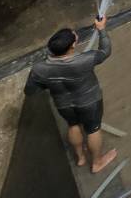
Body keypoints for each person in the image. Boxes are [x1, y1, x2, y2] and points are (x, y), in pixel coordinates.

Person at [24, 16, 118, 173]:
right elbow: (105, 51)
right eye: (75, 38)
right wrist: (101, 29)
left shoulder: (39, 69)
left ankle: (80, 158)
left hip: (63, 105)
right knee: (93, 129)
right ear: (72, 45)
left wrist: (50, 83)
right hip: (89, 102)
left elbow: (30, 91)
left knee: (73, 125)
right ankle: (97, 163)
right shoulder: (85, 60)